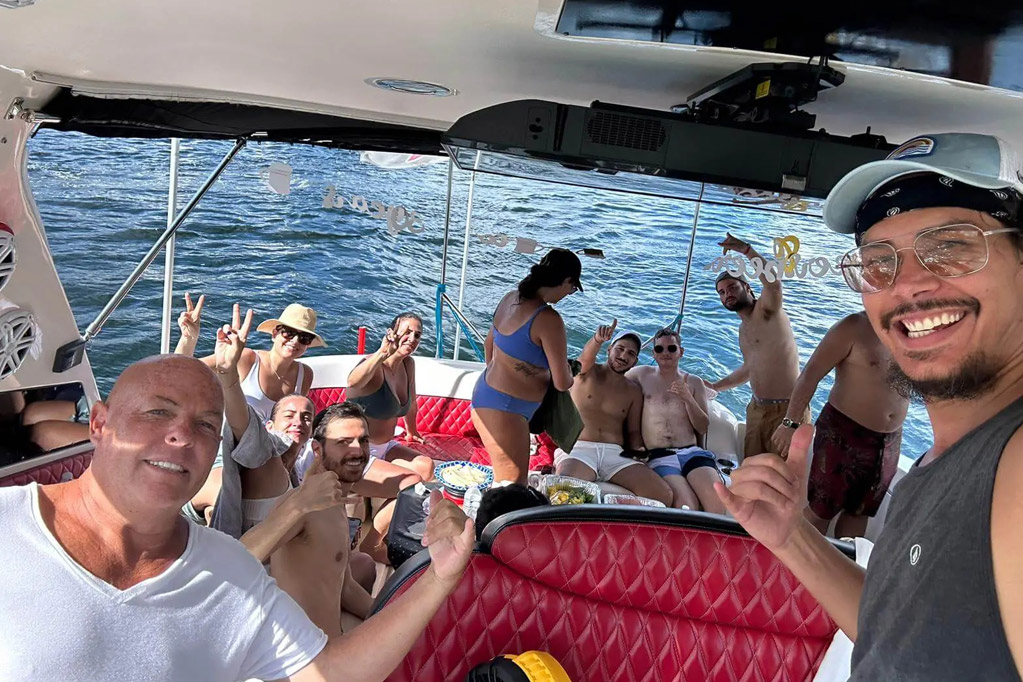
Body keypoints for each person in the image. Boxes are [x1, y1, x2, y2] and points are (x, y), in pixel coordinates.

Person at [716, 132, 1023, 680]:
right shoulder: (942, 466)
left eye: (952, 244)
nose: (908, 284)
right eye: (879, 262)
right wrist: (793, 539)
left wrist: (745, 250)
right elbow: (896, 630)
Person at [0, 352, 474, 681]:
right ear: (99, 424)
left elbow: (329, 673)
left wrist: (439, 577)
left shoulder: (229, 571)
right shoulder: (10, 525)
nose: (181, 436)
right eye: (156, 413)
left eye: (206, 425)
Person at [241, 402, 383, 634]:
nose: (358, 450)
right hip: (305, 657)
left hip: (333, 642)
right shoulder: (301, 505)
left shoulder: (335, 501)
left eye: (363, 440)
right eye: (344, 442)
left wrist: (389, 614)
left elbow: (345, 587)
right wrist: (299, 505)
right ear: (317, 450)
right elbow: (239, 559)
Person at [771, 311, 909, 538]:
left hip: (889, 441)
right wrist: (790, 423)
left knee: (860, 513)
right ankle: (797, 569)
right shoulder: (853, 326)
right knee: (820, 510)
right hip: (843, 434)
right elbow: (810, 375)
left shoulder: (913, 332)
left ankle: (842, 565)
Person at [471, 248, 581, 484]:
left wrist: (511, 371)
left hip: (486, 395)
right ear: (566, 281)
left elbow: (489, 345)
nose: (568, 294)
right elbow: (562, 382)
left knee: (504, 484)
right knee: (511, 488)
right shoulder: (548, 319)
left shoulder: (509, 297)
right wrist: (573, 370)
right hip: (506, 411)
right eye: (572, 289)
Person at [707, 237, 808, 460]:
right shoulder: (743, 330)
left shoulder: (766, 310)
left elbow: (773, 284)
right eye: (721, 293)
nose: (727, 295)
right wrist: (715, 386)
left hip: (787, 412)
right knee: (751, 471)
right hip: (756, 410)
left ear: (747, 287)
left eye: (732, 287)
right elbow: (749, 369)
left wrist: (747, 251)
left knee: (782, 480)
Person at [555, 321, 672, 505]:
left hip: (615, 453)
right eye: (620, 349)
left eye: (631, 353)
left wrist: (639, 452)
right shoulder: (585, 373)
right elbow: (585, 359)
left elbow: (633, 431)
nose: (624, 355)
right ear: (609, 349)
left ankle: (616, 513)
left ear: (635, 361)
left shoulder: (634, 390)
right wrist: (597, 339)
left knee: (663, 494)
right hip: (580, 448)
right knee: (563, 491)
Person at [176, 294, 321, 419]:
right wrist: (188, 338)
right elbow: (181, 372)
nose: (295, 340)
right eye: (289, 332)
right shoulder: (246, 358)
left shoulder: (305, 375)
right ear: (275, 334)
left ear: (308, 344)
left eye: (304, 337)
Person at [627, 328, 723, 513]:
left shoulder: (693, 382)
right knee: (686, 506)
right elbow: (613, 377)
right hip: (659, 455)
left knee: (716, 504)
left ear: (681, 352)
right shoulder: (641, 374)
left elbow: (703, 426)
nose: (665, 353)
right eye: (659, 349)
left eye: (671, 348)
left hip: (692, 452)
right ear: (653, 353)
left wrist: (687, 398)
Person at [346, 312, 433, 475]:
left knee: (426, 466)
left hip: (385, 447)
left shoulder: (408, 364)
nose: (412, 338)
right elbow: (352, 382)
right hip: (358, 450)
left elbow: (412, 403)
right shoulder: (375, 366)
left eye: (417, 335)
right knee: (410, 478)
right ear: (391, 333)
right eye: (407, 332)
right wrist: (382, 352)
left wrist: (412, 431)